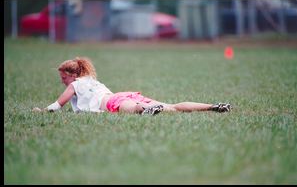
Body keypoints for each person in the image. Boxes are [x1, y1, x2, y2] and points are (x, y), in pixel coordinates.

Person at [32, 57, 232, 115]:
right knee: (173, 107)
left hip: (112, 102)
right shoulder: (93, 81)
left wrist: (40, 110)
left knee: (135, 109)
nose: (63, 81)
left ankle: (146, 110)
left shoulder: (75, 85)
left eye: (63, 77)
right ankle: (213, 106)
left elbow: (57, 106)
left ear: (73, 75)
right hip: (122, 95)